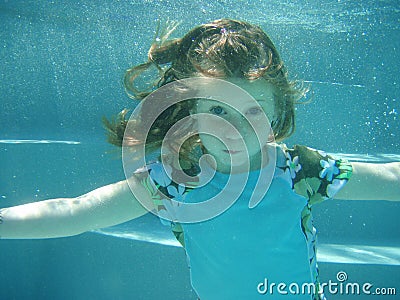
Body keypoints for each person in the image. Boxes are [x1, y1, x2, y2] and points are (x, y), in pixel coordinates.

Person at [0, 19, 399, 299]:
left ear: (277, 114)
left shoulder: (300, 172)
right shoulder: (174, 181)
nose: (235, 129)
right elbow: (77, 211)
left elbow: (389, 180)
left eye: (254, 113)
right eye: (220, 111)